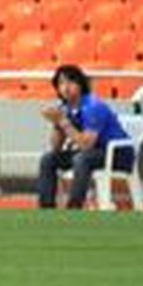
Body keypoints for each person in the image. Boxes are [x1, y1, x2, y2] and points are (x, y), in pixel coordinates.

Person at [35, 64, 132, 210]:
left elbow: (86, 145)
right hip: (93, 152)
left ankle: (74, 206)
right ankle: (46, 208)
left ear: (81, 85)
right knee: (48, 159)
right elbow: (56, 147)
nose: (65, 87)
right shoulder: (65, 108)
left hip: (117, 153)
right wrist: (56, 124)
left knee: (81, 159)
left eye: (70, 82)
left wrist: (63, 121)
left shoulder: (93, 106)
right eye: (61, 83)